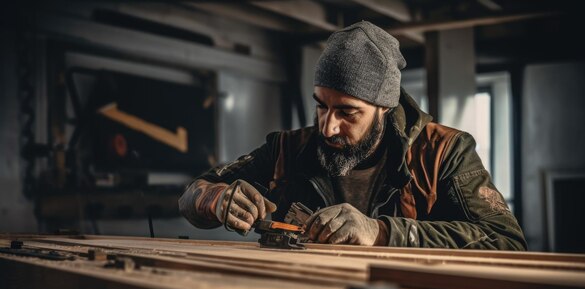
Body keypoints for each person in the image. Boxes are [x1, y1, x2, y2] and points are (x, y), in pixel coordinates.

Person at [178, 21, 526, 250]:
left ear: (385, 108)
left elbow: (506, 241)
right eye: (321, 106)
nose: (328, 127)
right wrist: (216, 200)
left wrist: (382, 232)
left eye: (347, 112)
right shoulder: (287, 149)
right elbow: (193, 195)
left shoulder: (444, 152)